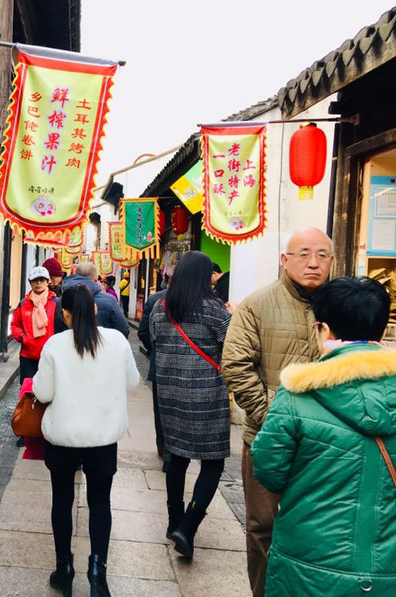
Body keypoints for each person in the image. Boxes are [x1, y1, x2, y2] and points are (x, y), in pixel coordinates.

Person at [251, 277, 396, 596]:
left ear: (323, 330)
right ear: (382, 333)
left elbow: (269, 470)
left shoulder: (297, 397)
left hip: (306, 563)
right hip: (387, 571)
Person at [222, 227, 333, 597]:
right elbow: (236, 365)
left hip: (329, 443)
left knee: (319, 528)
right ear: (284, 260)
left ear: (333, 261)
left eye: (322, 255)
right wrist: (275, 420)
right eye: (303, 254)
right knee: (262, 526)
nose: (313, 263)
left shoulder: (341, 304)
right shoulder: (257, 304)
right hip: (267, 439)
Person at [34, 285, 140, 597]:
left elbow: (43, 393)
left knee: (62, 500)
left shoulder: (55, 345)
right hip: (102, 438)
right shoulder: (117, 341)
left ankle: (64, 569)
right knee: (100, 502)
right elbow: (133, 382)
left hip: (63, 436)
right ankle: (97, 574)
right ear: (94, 310)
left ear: (64, 314)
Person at [149, 252, 231, 559]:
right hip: (207, 395)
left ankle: (173, 521)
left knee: (177, 458)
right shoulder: (215, 310)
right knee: (212, 462)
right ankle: (189, 524)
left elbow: (153, 339)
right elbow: (231, 345)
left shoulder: (161, 307)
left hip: (169, 394)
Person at [137, 274, 172, 470]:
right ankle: (178, 451)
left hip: (160, 363)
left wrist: (154, 350)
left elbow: (143, 332)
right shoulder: (202, 300)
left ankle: (165, 451)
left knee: (161, 410)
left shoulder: (155, 299)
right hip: (190, 368)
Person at [55, 261, 130, 338]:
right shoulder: (109, 300)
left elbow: (57, 330)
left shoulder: (61, 301)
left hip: (68, 347)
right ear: (96, 278)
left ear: (75, 274)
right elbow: (123, 330)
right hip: (103, 347)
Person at [11, 266, 58, 381]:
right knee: (27, 390)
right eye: (35, 280)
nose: (38, 283)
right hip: (28, 355)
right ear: (30, 283)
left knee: (46, 391)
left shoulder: (56, 303)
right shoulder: (23, 304)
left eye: (42, 280)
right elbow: (14, 325)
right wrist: (22, 337)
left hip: (49, 355)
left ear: (47, 282)